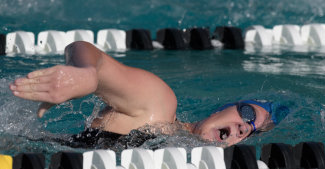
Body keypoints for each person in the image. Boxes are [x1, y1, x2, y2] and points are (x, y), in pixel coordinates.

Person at [9, 41, 287, 148]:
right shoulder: (158, 107)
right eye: (248, 114)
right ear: (222, 110)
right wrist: (85, 75)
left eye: (253, 132)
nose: (244, 128)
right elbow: (89, 52)